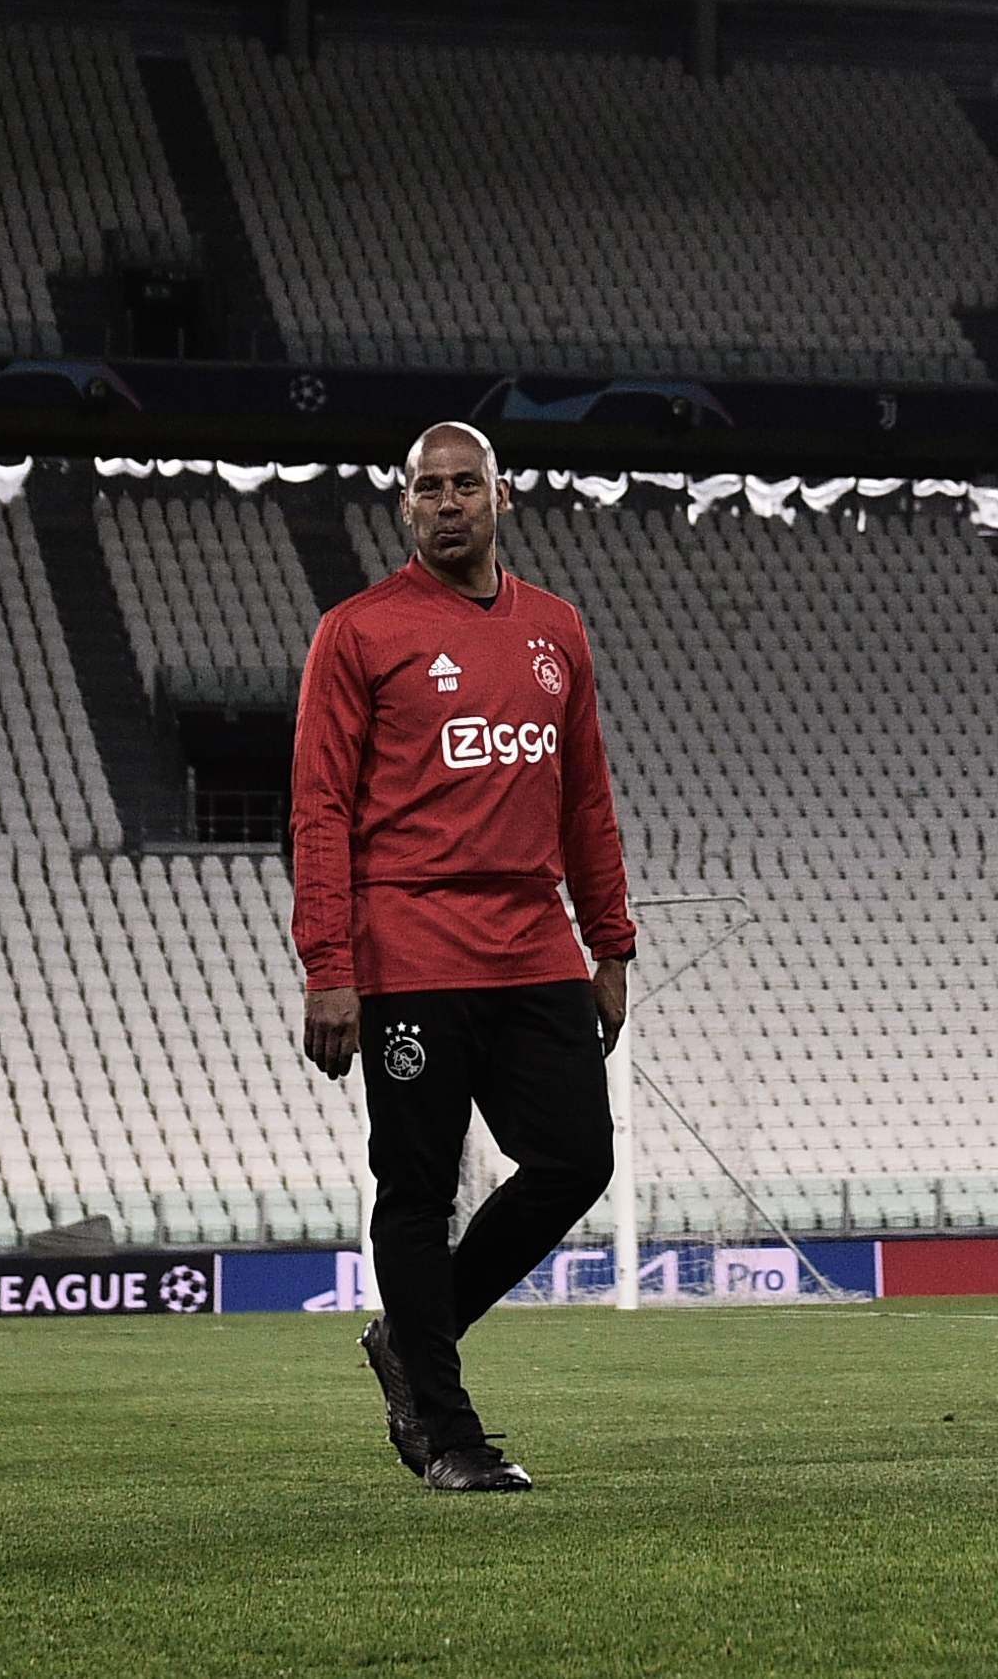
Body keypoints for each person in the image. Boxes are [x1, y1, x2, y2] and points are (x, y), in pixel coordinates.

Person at [292, 421, 636, 1493]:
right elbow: (318, 811)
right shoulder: (357, 632)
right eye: (426, 489)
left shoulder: (556, 629)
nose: (447, 502)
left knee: (579, 1157)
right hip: (409, 955)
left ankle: (408, 1336)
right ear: (404, 508)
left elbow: (585, 793)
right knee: (416, 1188)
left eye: (464, 484)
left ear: (501, 496)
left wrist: (609, 942)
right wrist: (328, 966)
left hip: (534, 945)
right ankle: (446, 1433)